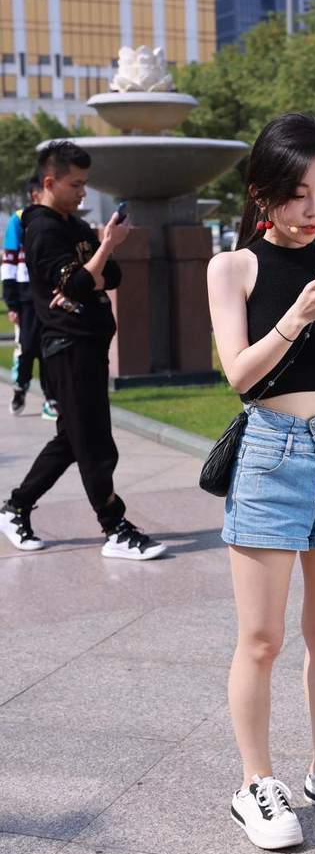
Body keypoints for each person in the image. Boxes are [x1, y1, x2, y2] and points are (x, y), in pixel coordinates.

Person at [207, 113, 315, 851]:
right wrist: (297, 316)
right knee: (261, 638)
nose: (314, 209)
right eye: (299, 193)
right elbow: (240, 376)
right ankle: (255, 782)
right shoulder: (234, 268)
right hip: (270, 456)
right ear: (262, 193)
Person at [0, 140, 166, 561]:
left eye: (85, 183)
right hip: (67, 346)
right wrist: (103, 250)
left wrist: (93, 267)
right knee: (94, 444)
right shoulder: (42, 229)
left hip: (89, 344)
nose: (82, 192)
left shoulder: (73, 225)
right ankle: (114, 528)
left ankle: (15, 508)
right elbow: (77, 283)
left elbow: (111, 276)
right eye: (75, 184)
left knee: (72, 439)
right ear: (49, 182)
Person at [2, 175, 58, 419]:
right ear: (35, 194)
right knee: (27, 347)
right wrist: (11, 302)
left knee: (49, 349)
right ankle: (21, 386)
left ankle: (51, 398)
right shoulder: (19, 219)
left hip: (49, 295)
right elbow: (9, 262)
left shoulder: (55, 218)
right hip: (25, 297)